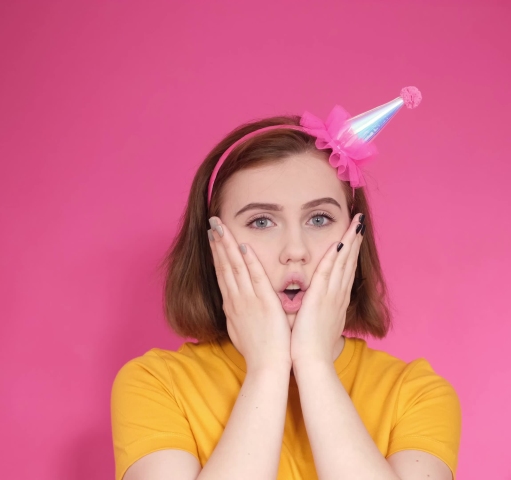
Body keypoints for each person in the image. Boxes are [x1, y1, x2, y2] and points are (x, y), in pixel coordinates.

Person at [111, 88, 461, 480]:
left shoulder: (415, 392)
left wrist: (313, 363)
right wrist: (267, 368)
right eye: (261, 221)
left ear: (355, 236)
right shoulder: (156, 384)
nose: (295, 251)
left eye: (319, 219)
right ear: (214, 243)